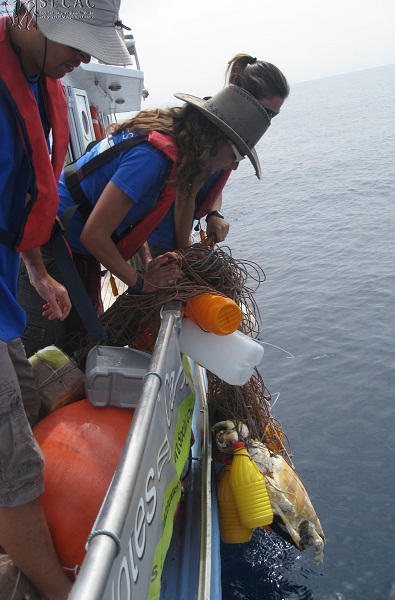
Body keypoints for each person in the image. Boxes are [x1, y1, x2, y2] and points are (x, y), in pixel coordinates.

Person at [0, 0, 132, 597]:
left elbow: (20, 198)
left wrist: (36, 271)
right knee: (14, 469)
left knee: (26, 408)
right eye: (79, 42)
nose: (83, 57)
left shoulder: (36, 79)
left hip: (6, 296)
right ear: (34, 17)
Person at [18, 84, 271, 355]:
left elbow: (130, 219)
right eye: (236, 155)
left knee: (71, 344)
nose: (233, 166)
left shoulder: (171, 151)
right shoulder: (150, 159)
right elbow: (93, 235)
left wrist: (148, 261)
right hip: (51, 248)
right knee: (43, 353)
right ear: (213, 138)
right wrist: (142, 283)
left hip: (74, 252)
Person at [145, 53, 290, 260]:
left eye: (274, 115)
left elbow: (214, 179)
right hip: (158, 240)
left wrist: (214, 212)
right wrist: (186, 255)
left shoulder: (237, 132)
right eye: (268, 112)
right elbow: (186, 197)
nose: (268, 121)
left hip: (175, 235)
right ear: (247, 99)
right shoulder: (213, 133)